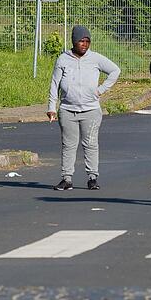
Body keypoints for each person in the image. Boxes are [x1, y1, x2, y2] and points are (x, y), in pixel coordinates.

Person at [47, 25, 121, 191]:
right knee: (69, 144)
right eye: (81, 41)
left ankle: (92, 177)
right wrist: (52, 106)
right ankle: (66, 178)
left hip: (91, 110)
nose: (85, 45)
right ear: (74, 41)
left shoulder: (95, 58)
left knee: (90, 143)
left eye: (87, 41)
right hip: (67, 109)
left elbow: (115, 70)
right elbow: (55, 83)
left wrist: (100, 90)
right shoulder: (63, 59)